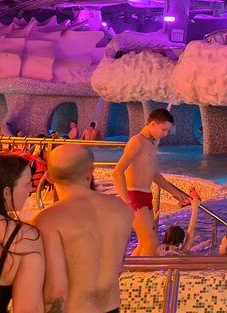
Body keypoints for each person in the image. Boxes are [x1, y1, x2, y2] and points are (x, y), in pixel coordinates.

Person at [34, 145, 133, 313]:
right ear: (90, 172)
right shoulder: (121, 209)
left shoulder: (47, 220)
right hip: (112, 307)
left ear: (49, 177)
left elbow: (56, 288)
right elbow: (119, 266)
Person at [112, 108, 189, 256]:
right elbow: (117, 172)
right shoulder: (137, 142)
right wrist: (126, 201)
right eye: (164, 129)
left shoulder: (152, 143)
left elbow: (154, 174)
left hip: (145, 195)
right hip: (134, 196)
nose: (165, 134)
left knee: (145, 242)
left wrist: (174, 192)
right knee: (151, 242)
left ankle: (128, 269)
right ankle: (140, 270)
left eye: (168, 130)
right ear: (153, 124)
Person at [0, 154, 44, 313]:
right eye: (28, 184)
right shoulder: (23, 237)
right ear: (7, 192)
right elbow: (29, 309)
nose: (31, 189)